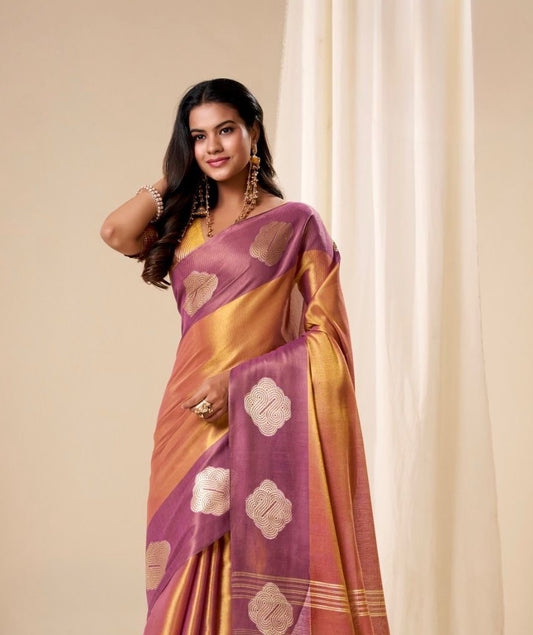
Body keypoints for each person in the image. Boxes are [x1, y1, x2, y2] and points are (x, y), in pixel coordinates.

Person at [100, 78, 389, 635]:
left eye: (226, 130)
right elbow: (116, 231)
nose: (213, 146)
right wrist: (175, 173)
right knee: (182, 568)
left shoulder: (297, 223)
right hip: (186, 422)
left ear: (254, 131)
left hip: (255, 413)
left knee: (246, 558)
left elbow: (328, 338)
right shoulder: (184, 225)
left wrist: (239, 384)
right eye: (198, 136)